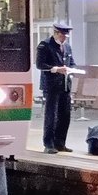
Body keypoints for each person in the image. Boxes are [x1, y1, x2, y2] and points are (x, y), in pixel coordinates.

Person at [36, 21, 76, 154]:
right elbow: (40, 64)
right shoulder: (45, 45)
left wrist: (72, 70)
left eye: (66, 36)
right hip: (52, 86)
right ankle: (49, 144)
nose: (64, 38)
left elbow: (72, 63)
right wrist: (55, 69)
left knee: (65, 115)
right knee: (51, 116)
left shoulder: (67, 47)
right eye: (62, 35)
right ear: (56, 33)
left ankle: (60, 143)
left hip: (65, 86)